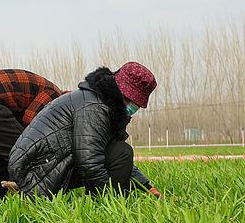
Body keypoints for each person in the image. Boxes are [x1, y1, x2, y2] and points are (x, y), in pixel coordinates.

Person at [9, 63, 161, 198]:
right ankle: (113, 200)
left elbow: (105, 151)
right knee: (122, 151)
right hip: (33, 174)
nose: (134, 108)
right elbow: (89, 162)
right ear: (123, 94)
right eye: (134, 103)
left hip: (36, 168)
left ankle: (116, 197)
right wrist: (108, 201)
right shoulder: (95, 108)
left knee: (119, 151)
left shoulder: (101, 101)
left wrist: (147, 187)